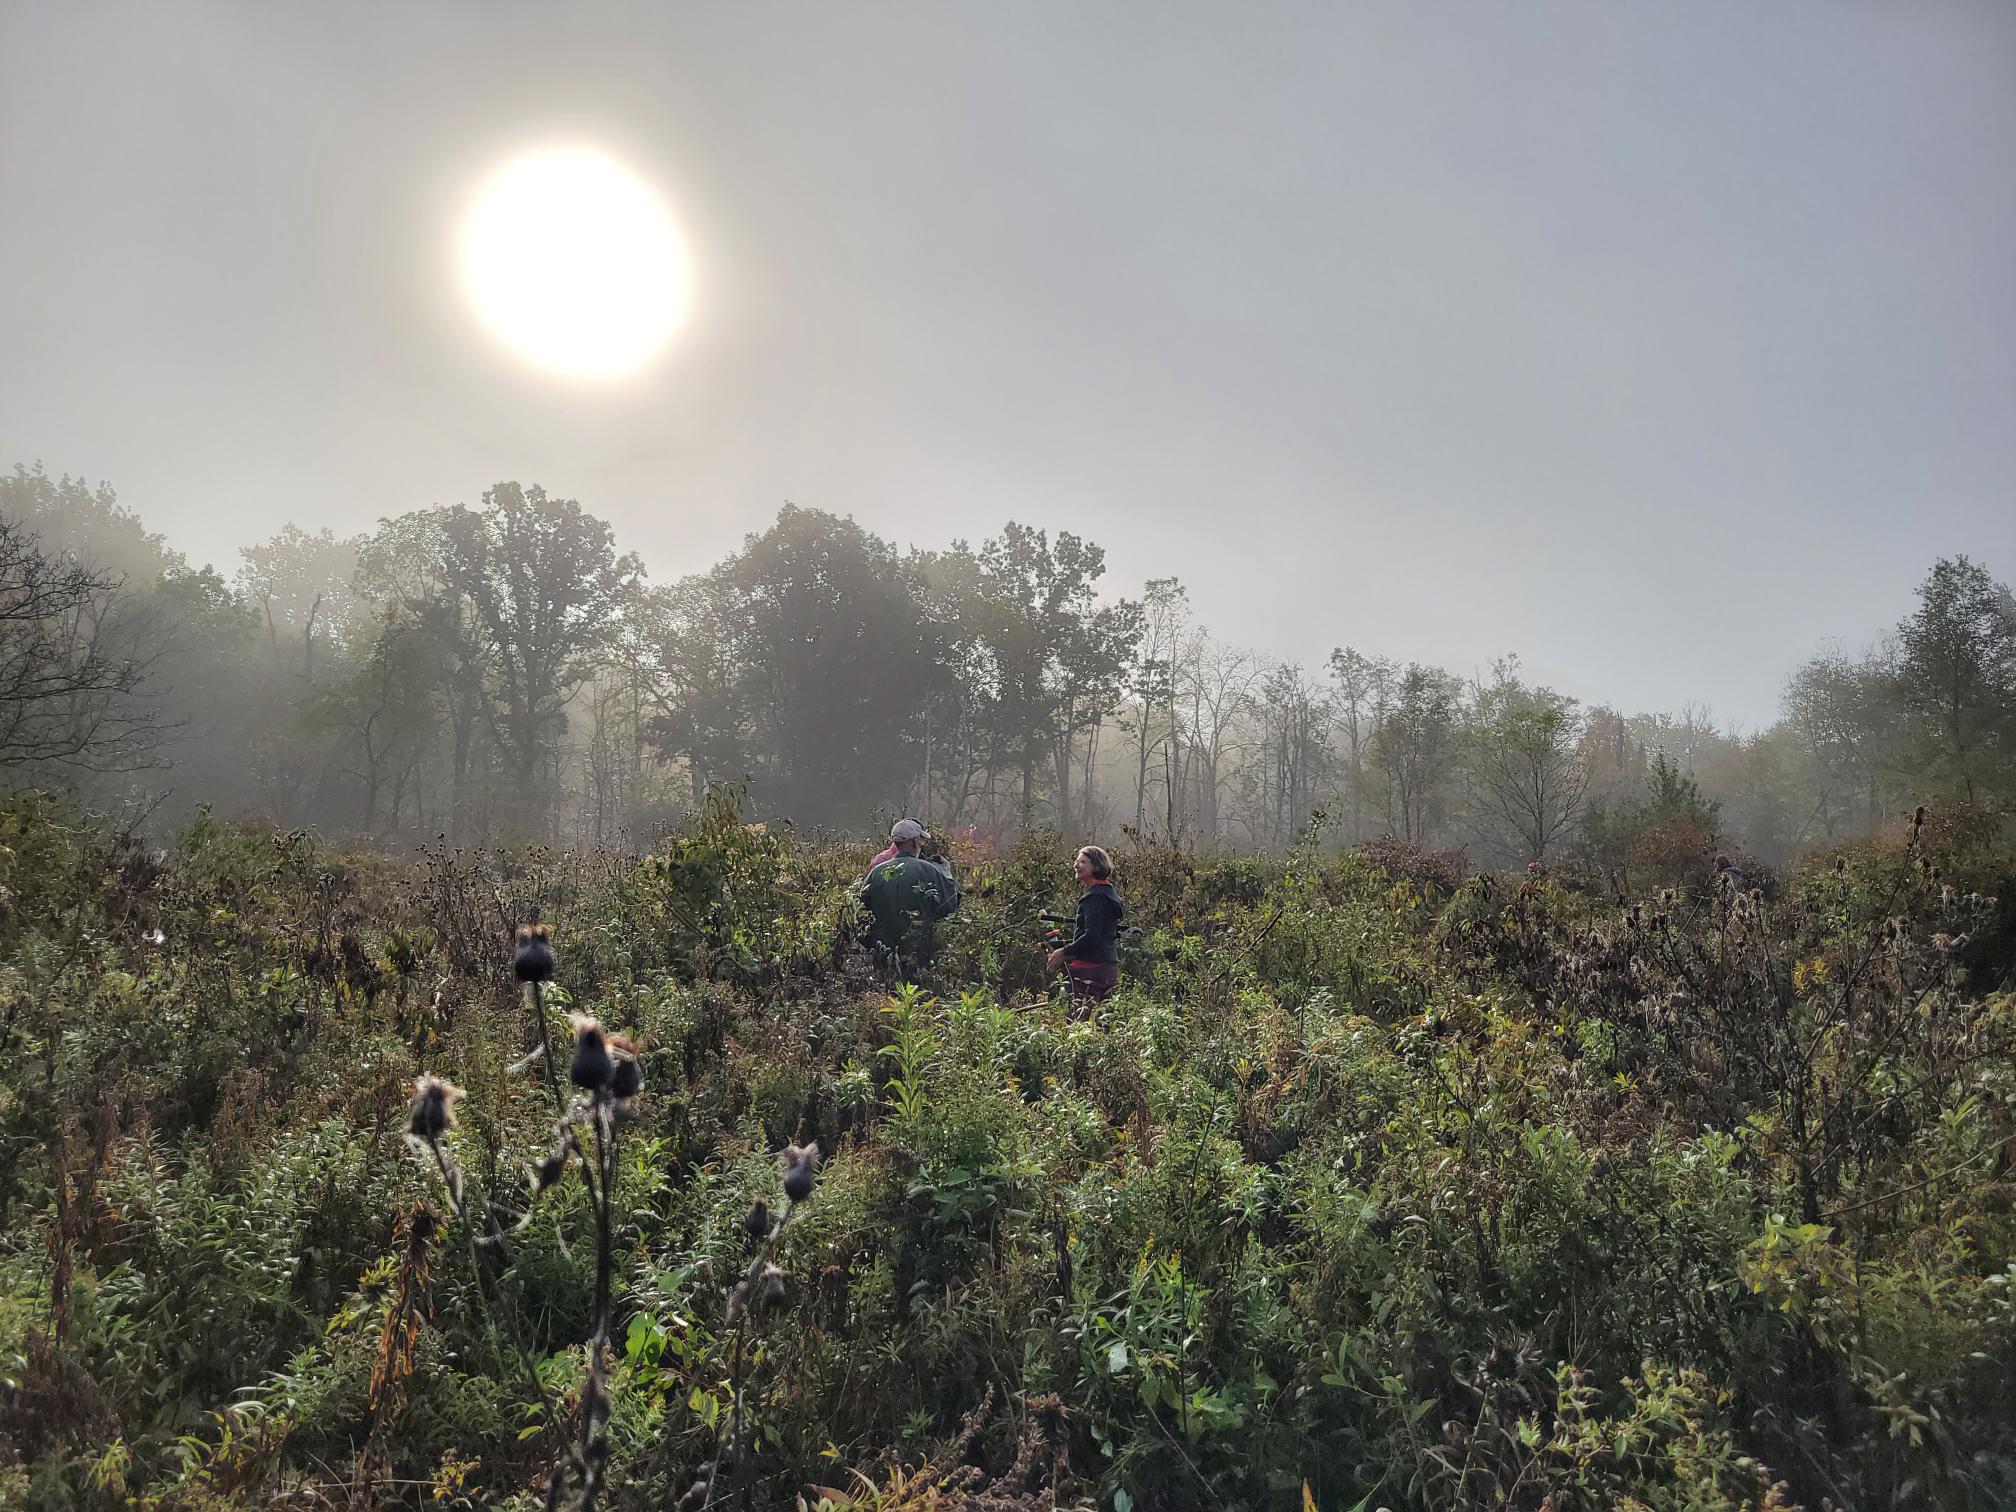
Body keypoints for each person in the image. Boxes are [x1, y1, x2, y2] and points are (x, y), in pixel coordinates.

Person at [858, 821, 959, 976]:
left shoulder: (877, 872)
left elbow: (861, 911)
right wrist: (946, 873)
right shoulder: (928, 869)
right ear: (915, 841)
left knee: (886, 991)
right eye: (921, 840)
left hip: (882, 952)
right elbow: (949, 905)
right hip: (918, 951)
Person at [1047, 845, 1124, 1005]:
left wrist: (1063, 952)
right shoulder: (1108, 894)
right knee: (1104, 1022)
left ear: (1096, 866)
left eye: (1083, 862)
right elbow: (1100, 936)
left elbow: (1091, 936)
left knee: (1078, 1021)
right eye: (1076, 861)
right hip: (1107, 967)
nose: (1076, 865)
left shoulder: (1094, 898)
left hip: (1089, 970)